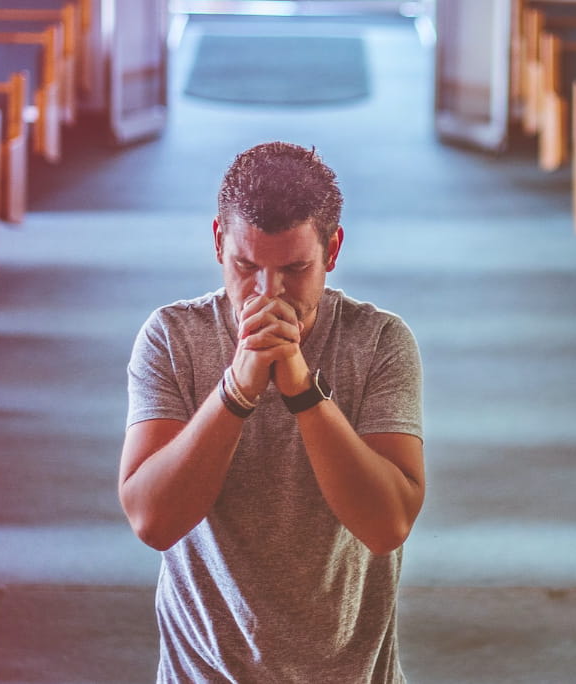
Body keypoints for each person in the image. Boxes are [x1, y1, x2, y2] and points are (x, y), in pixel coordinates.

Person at [120, 141, 425, 682]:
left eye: (294, 268)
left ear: (332, 252)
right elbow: (153, 520)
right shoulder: (171, 338)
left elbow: (387, 524)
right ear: (219, 242)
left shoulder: (379, 341)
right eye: (246, 265)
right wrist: (237, 389)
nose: (266, 293)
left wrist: (303, 390)